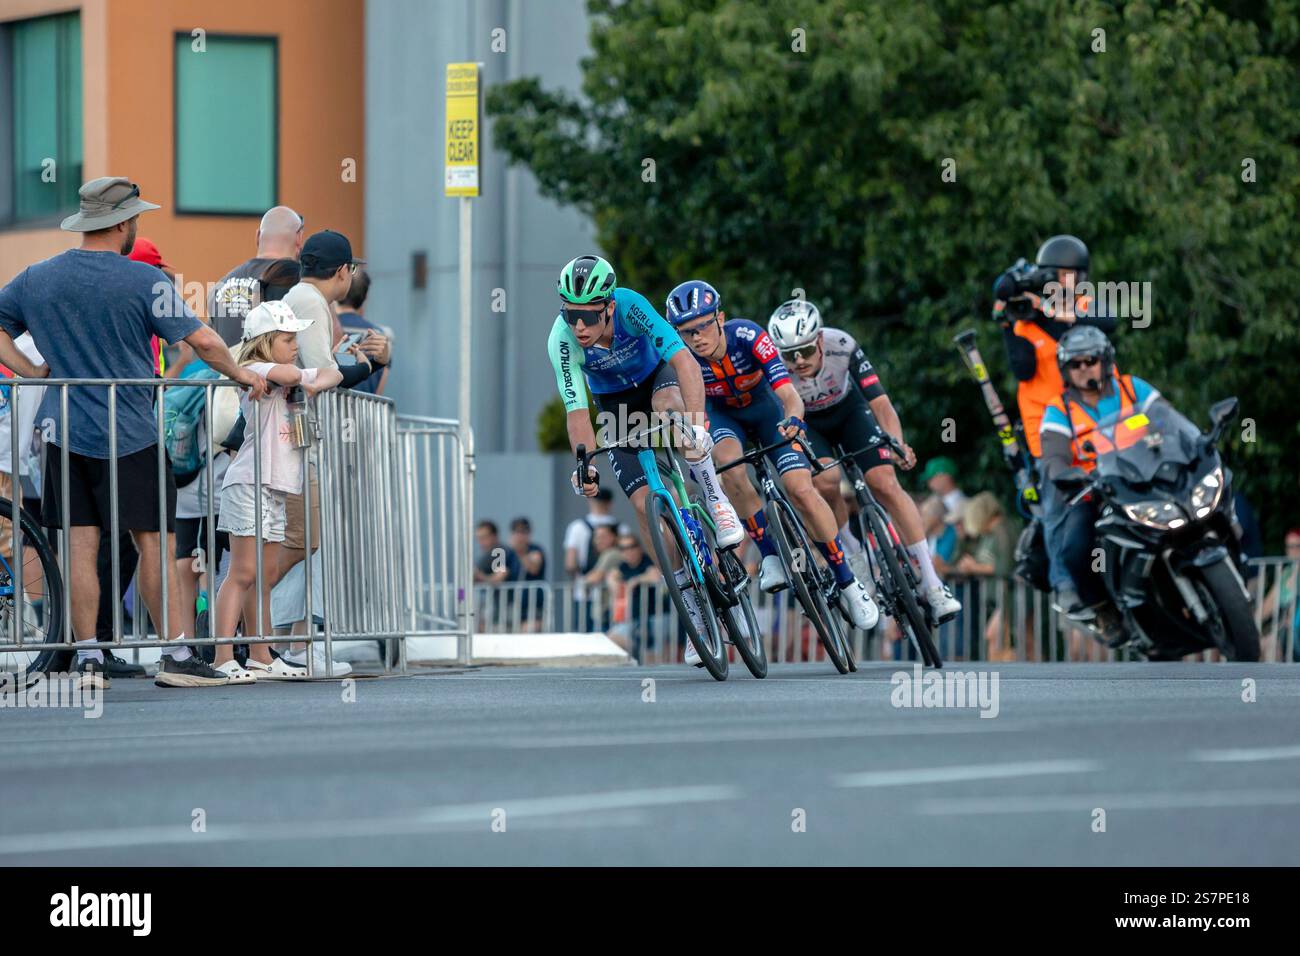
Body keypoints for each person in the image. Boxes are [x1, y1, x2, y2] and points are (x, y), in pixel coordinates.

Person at [0, 176, 267, 689]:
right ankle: (176, 655)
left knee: (79, 546)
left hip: (63, 430)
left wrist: (32, 373)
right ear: (123, 223)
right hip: (132, 433)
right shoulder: (145, 281)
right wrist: (244, 373)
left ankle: (88, 658)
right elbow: (205, 341)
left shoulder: (38, 278)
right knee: (155, 545)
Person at [549, 255, 744, 667]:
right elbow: (577, 411)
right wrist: (585, 463)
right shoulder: (561, 341)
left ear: (609, 306)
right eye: (570, 315)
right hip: (615, 405)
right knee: (642, 504)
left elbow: (684, 362)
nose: (578, 326)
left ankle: (715, 498)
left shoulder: (632, 304)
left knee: (672, 410)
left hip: (658, 382)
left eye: (586, 316)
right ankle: (693, 612)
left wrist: (695, 426)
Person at [665, 279, 879, 631]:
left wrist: (795, 420)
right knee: (730, 468)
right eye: (685, 333)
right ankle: (770, 557)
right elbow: (695, 419)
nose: (695, 339)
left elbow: (788, 393)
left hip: (768, 413)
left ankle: (848, 582)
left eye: (702, 327)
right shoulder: (684, 361)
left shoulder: (748, 336)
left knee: (801, 489)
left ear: (720, 317)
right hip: (725, 418)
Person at [767, 298, 961, 624]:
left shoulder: (842, 344)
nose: (798, 361)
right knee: (826, 482)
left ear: (819, 340)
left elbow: (882, 404)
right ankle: (853, 553)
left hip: (849, 412)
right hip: (809, 424)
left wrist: (896, 443)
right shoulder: (771, 363)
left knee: (884, 482)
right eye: (789, 355)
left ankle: (932, 584)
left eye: (806, 351)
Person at [212, 301, 343, 682]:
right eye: (288, 339)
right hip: (249, 483)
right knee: (242, 572)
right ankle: (222, 657)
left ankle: (261, 654)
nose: (295, 345)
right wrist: (307, 376)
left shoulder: (287, 378)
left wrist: (311, 376)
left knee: (266, 571)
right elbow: (296, 372)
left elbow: (331, 374)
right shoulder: (254, 370)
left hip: (276, 486)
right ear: (266, 342)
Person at [994, 235, 1117, 602]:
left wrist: (1052, 309)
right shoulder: (1026, 320)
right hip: (1049, 427)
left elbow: (1107, 323)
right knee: (1056, 504)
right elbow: (1022, 368)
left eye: (1069, 275)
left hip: (1099, 420)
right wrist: (1006, 324)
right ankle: (1065, 585)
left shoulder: (1086, 305)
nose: (1064, 282)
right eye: (1057, 276)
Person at [1038, 325, 1160, 644]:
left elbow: (1172, 422)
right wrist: (1064, 472)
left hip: (1149, 480)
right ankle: (1104, 609)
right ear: (1066, 370)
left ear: (1105, 360)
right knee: (1074, 548)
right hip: (1096, 490)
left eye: (1090, 360)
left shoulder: (1133, 389)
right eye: (1074, 364)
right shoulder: (1059, 408)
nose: (1083, 369)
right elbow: (1052, 456)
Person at [209, 206, 306, 346]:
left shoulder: (220, 285)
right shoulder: (298, 282)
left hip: (229, 367)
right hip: (279, 367)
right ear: (299, 238)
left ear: (257, 236)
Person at [954, 491, 1020, 661]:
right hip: (999, 597)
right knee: (1000, 640)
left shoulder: (1003, 529)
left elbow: (1006, 566)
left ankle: (1012, 679)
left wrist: (975, 567)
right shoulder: (989, 534)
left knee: (997, 638)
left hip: (1009, 595)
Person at [607, 531, 664, 658]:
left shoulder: (646, 560)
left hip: (653, 618)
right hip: (633, 619)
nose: (628, 551)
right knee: (612, 638)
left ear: (638, 547)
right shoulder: (624, 566)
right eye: (623, 548)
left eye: (631, 546)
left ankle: (639, 656)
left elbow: (655, 576)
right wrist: (613, 583)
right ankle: (638, 655)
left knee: (655, 656)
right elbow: (611, 576)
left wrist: (636, 580)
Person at [335, 268, 391, 395]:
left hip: (329, 409)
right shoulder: (379, 336)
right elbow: (379, 389)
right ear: (365, 296)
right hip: (366, 411)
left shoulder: (329, 327)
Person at [474, 520, 522, 629]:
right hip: (492, 607)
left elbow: (499, 577)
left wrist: (479, 576)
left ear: (494, 536)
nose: (481, 542)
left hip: (501, 607)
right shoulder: (486, 554)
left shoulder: (499, 551)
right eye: (478, 538)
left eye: (484, 537)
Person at [508, 517, 547, 632]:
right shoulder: (506, 553)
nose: (520, 536)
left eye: (523, 532)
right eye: (517, 532)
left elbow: (533, 568)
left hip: (533, 607)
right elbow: (499, 575)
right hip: (512, 607)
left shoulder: (536, 550)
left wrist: (520, 551)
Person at [920, 457, 968, 524]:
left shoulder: (966, 504)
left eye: (932, 478)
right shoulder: (931, 502)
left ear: (945, 477)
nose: (929, 483)